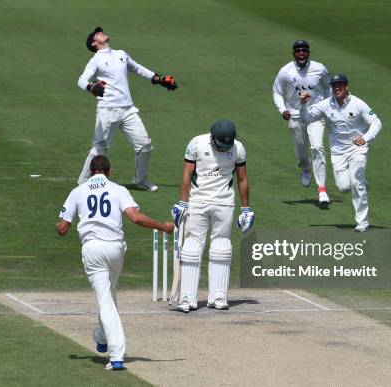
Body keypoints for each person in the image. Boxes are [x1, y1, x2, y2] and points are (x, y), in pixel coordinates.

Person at [56, 155, 174, 370]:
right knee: (108, 296)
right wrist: (163, 226)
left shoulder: (78, 191)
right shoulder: (118, 189)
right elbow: (135, 218)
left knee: (105, 300)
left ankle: (117, 355)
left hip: (92, 249)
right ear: (108, 171)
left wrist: (58, 225)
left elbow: (63, 228)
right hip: (116, 249)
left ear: (91, 171)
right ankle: (101, 336)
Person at [76, 26, 178, 191]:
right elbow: (81, 80)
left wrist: (158, 78)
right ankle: (83, 183)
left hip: (128, 109)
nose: (101, 32)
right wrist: (91, 87)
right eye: (97, 33)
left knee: (145, 145)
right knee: (100, 148)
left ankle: (140, 179)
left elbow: (137, 68)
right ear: (94, 43)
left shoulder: (121, 54)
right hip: (107, 110)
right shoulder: (96, 60)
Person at [171, 119, 254, 313]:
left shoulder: (238, 148)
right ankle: (187, 298)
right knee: (192, 246)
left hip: (224, 202)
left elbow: (242, 179)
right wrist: (183, 203)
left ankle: (218, 296)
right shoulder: (196, 144)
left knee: (222, 246)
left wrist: (245, 209)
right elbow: (186, 175)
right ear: (212, 136)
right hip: (198, 201)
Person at [299, 74, 382, 232]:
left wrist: (365, 138)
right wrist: (303, 104)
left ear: (346, 87)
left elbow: (376, 123)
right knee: (343, 187)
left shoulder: (358, 103)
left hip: (357, 149)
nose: (337, 88)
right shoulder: (326, 105)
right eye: (334, 86)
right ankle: (362, 183)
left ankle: (362, 223)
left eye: (340, 85)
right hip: (338, 153)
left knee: (357, 183)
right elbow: (306, 120)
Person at [272, 40, 331, 207]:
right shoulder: (285, 71)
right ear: (294, 53)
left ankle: (322, 189)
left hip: (315, 114)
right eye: (298, 51)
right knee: (300, 151)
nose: (301, 54)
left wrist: (327, 106)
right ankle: (305, 169)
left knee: (317, 147)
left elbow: (328, 88)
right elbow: (277, 91)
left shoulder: (319, 68)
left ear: (309, 52)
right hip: (295, 115)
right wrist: (282, 109)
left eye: (304, 51)